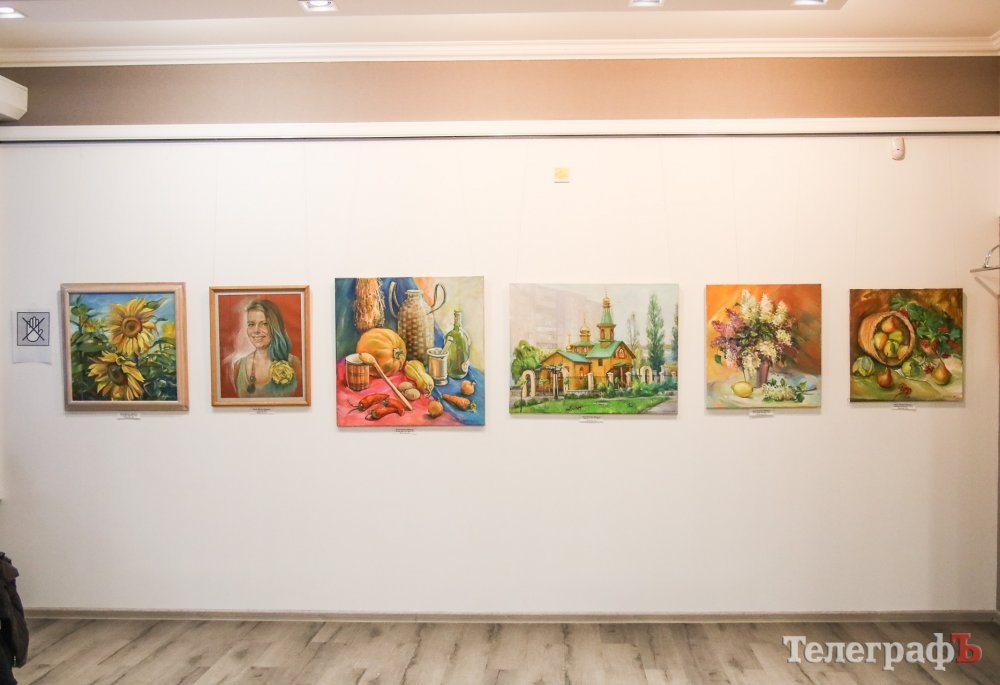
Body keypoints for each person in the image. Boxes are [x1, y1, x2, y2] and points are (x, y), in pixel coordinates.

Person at [233, 299, 302, 398]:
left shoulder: (293, 363)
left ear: (275, 326)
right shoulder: (239, 366)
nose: (256, 330)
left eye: (264, 324)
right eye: (251, 324)